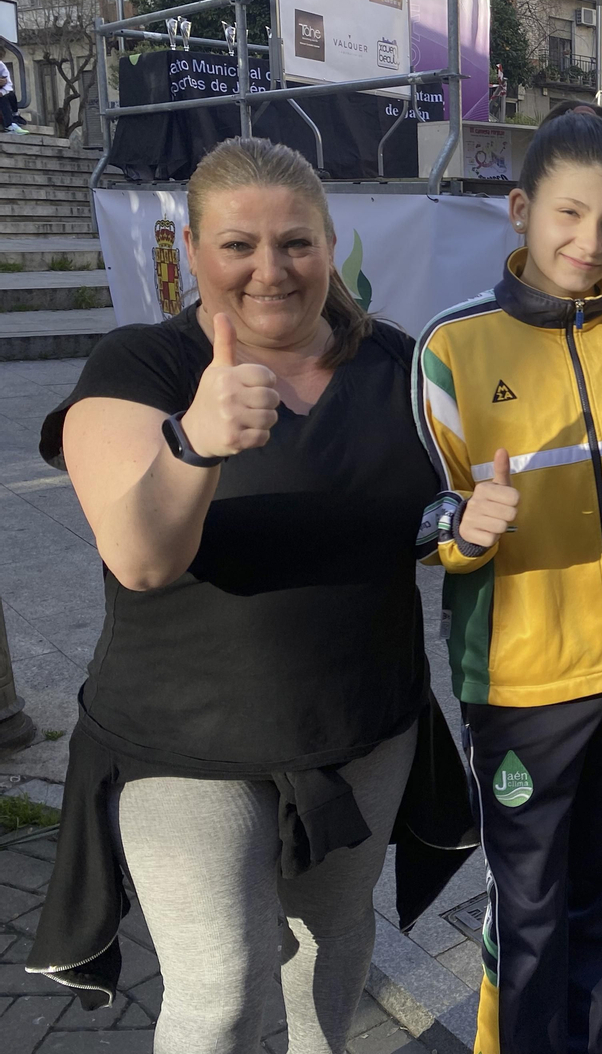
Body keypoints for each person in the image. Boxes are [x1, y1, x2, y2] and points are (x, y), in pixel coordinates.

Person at [27, 136, 475, 1054]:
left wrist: (465, 527)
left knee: (333, 942)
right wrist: (194, 442)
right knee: (223, 989)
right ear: (192, 252)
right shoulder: (139, 368)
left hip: (364, 727)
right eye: (239, 245)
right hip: (184, 742)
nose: (270, 270)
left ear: (330, 241)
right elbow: (141, 558)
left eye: (296, 242)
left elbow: (419, 527)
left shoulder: (400, 366)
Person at [413, 110, 602, 1054]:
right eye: (569, 215)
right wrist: (463, 528)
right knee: (529, 909)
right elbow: (419, 522)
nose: (590, 241)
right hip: (525, 683)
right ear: (520, 210)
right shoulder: (453, 349)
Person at [0, 57, 27, 133]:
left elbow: (8, 84)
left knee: (9, 94)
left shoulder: (0, 65)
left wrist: (2, 92)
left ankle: (14, 117)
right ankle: (9, 125)